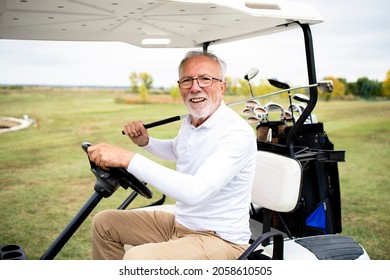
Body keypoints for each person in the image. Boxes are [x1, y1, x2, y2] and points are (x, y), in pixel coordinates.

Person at [87, 50, 257, 260]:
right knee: (105, 223)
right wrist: (146, 143)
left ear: (222, 86)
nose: (195, 87)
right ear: (180, 87)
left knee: (139, 259)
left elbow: (196, 191)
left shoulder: (237, 133)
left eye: (205, 79)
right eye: (187, 80)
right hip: (181, 224)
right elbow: (177, 150)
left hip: (221, 239)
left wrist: (128, 159)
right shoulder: (192, 121)